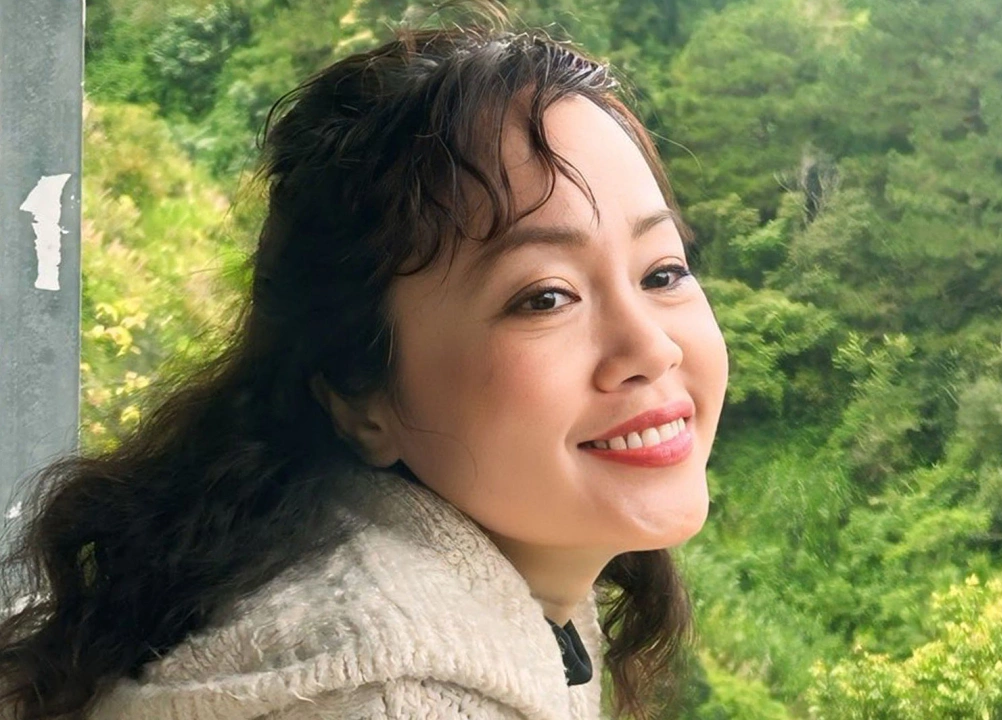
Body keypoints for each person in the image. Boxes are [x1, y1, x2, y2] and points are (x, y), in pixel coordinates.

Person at [0, 5, 728, 719]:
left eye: (662, 272)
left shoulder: (345, 577)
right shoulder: (394, 695)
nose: (651, 348)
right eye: (545, 298)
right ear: (359, 396)